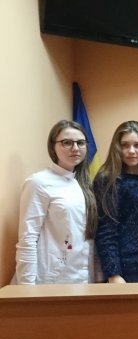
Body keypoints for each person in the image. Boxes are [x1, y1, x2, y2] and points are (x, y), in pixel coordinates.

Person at [15, 120, 98, 284]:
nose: (75, 148)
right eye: (67, 142)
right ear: (53, 147)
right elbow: (28, 239)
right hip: (50, 280)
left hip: (83, 278)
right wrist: (26, 287)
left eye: (80, 143)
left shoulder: (84, 184)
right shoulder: (38, 182)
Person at [93, 121, 138, 283]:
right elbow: (106, 230)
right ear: (117, 147)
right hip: (125, 268)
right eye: (125, 145)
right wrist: (113, 273)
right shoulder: (107, 179)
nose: (131, 151)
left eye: (137, 145)